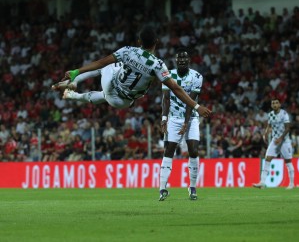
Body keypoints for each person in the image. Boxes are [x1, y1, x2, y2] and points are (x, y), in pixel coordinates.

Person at [52, 26, 212, 120]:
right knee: (105, 96)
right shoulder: (158, 65)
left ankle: (74, 81)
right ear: (156, 42)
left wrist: (76, 71)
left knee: (105, 67)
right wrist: (196, 106)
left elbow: (100, 62)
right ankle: (72, 95)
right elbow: (176, 89)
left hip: (110, 86)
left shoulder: (128, 51)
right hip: (123, 102)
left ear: (139, 42)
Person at [159, 48, 203, 201]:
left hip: (191, 118)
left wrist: (186, 122)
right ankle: (162, 188)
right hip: (173, 119)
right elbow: (166, 99)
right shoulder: (167, 75)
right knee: (169, 149)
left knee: (193, 149)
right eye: (179, 60)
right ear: (176, 61)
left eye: (185, 60)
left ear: (189, 61)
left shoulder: (197, 77)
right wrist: (164, 119)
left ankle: (192, 187)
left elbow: (190, 102)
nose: (182, 62)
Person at [253, 98, 294, 189]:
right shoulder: (270, 114)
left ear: (279, 104)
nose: (275, 104)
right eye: (273, 103)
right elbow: (269, 125)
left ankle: (291, 183)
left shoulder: (284, 114)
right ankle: (262, 182)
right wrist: (265, 133)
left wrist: (281, 138)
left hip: (284, 141)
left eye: (276, 103)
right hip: (275, 140)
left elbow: (288, 128)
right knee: (267, 158)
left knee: (288, 161)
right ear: (271, 106)